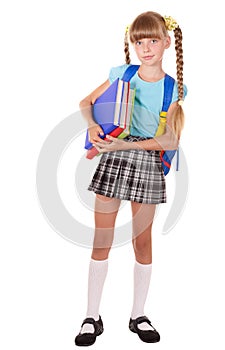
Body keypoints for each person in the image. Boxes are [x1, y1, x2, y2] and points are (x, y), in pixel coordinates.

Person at [75, 11, 187, 346]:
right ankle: (91, 317)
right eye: (139, 41)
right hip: (114, 158)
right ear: (132, 44)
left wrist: (129, 143)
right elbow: (86, 102)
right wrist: (93, 124)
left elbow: (171, 141)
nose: (146, 47)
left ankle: (138, 315)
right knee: (102, 239)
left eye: (153, 40)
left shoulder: (174, 88)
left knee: (142, 242)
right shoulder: (122, 73)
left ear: (167, 42)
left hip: (148, 163)